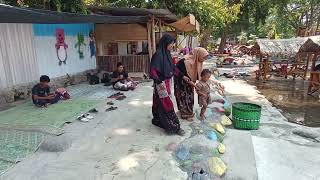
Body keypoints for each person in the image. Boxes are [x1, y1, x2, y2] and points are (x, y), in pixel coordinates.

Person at [150, 34, 185, 136]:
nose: (172, 45)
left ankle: (157, 120)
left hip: (166, 82)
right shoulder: (158, 55)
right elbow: (153, 71)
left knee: (158, 101)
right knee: (166, 103)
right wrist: (158, 82)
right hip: (161, 83)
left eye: (173, 43)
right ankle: (174, 127)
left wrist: (182, 76)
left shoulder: (167, 54)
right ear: (165, 43)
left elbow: (173, 68)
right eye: (171, 43)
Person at [174, 47, 209, 120]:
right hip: (181, 82)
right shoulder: (185, 62)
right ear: (198, 55)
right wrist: (195, 86)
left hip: (189, 82)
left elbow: (199, 75)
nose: (204, 60)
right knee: (183, 98)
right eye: (203, 57)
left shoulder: (197, 62)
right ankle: (185, 114)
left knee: (190, 97)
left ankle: (188, 112)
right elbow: (185, 78)